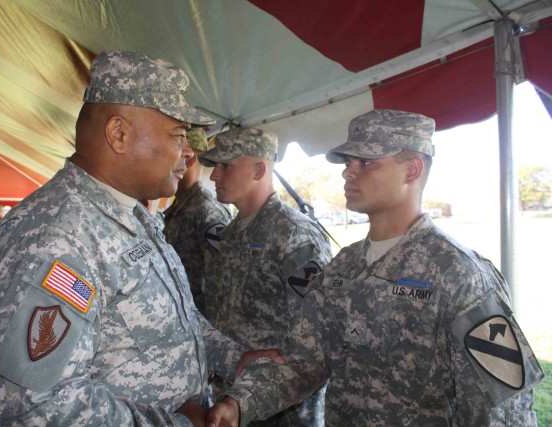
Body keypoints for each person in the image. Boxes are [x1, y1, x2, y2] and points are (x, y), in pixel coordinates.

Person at [208, 109, 545, 427]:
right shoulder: (344, 268)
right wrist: (240, 402)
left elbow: (504, 410)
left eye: (365, 161)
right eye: (348, 161)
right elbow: (303, 361)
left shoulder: (460, 274)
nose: (347, 171)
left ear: (411, 170)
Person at [0, 50, 249, 426]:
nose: (188, 153)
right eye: (179, 135)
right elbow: (37, 409)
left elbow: (172, 323)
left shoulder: (130, 214)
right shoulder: (57, 236)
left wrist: (231, 357)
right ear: (118, 133)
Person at [199, 127, 332, 426]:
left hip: (281, 412)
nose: (213, 176)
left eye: (225, 166)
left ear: (259, 169)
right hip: (230, 401)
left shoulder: (294, 235)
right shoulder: (231, 234)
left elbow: (317, 337)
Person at [163, 127, 233, 314]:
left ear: (190, 159)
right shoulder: (178, 207)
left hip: (199, 321)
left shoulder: (207, 211)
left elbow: (223, 281)